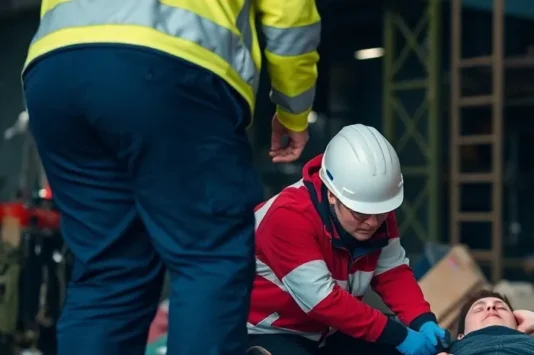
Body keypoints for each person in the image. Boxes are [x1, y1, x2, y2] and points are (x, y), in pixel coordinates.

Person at [22, 0, 319, 354]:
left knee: (108, 274)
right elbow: (290, 15)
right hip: (171, 61)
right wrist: (293, 110)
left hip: (55, 69)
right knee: (208, 261)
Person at [246, 124, 446, 355]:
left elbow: (392, 272)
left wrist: (422, 319)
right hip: (266, 332)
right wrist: (399, 335)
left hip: (328, 331)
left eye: (381, 213)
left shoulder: (372, 206)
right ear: (332, 194)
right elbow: (323, 300)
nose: (372, 222)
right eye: (360, 214)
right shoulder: (287, 217)